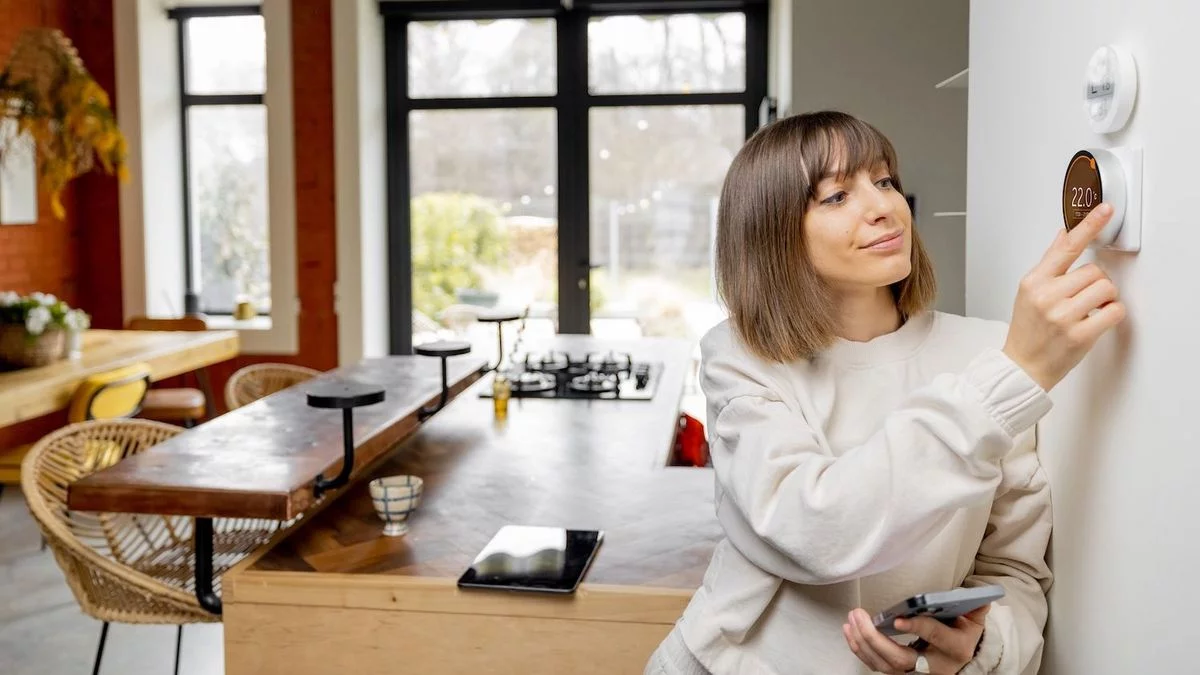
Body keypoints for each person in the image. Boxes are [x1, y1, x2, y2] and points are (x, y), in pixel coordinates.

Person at [645, 111, 1125, 675]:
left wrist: (976, 646)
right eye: (834, 197)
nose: (883, 207)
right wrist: (1012, 376)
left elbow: (1014, 572)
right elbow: (816, 530)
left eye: (884, 180)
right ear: (771, 232)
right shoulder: (742, 357)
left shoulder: (991, 354)